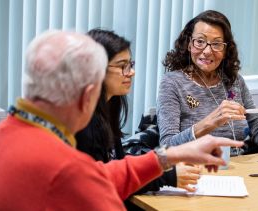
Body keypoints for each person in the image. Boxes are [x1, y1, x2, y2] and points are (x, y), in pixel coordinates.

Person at [0, 30, 243, 210]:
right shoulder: (65, 168)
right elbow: (88, 179)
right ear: (89, 94)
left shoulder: (3, 134)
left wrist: (167, 157)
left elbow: (99, 174)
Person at [75, 29, 201, 194]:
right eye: (122, 66)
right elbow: (103, 183)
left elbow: (119, 164)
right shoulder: (84, 122)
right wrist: (166, 176)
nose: (131, 72)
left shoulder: (109, 107)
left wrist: (163, 165)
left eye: (130, 65)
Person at [157, 10, 258, 153]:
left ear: (226, 49)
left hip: (237, 168)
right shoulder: (172, 83)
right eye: (200, 42)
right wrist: (210, 122)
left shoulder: (235, 81)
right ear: (189, 44)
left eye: (216, 44)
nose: (207, 51)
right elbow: (167, 148)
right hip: (195, 169)